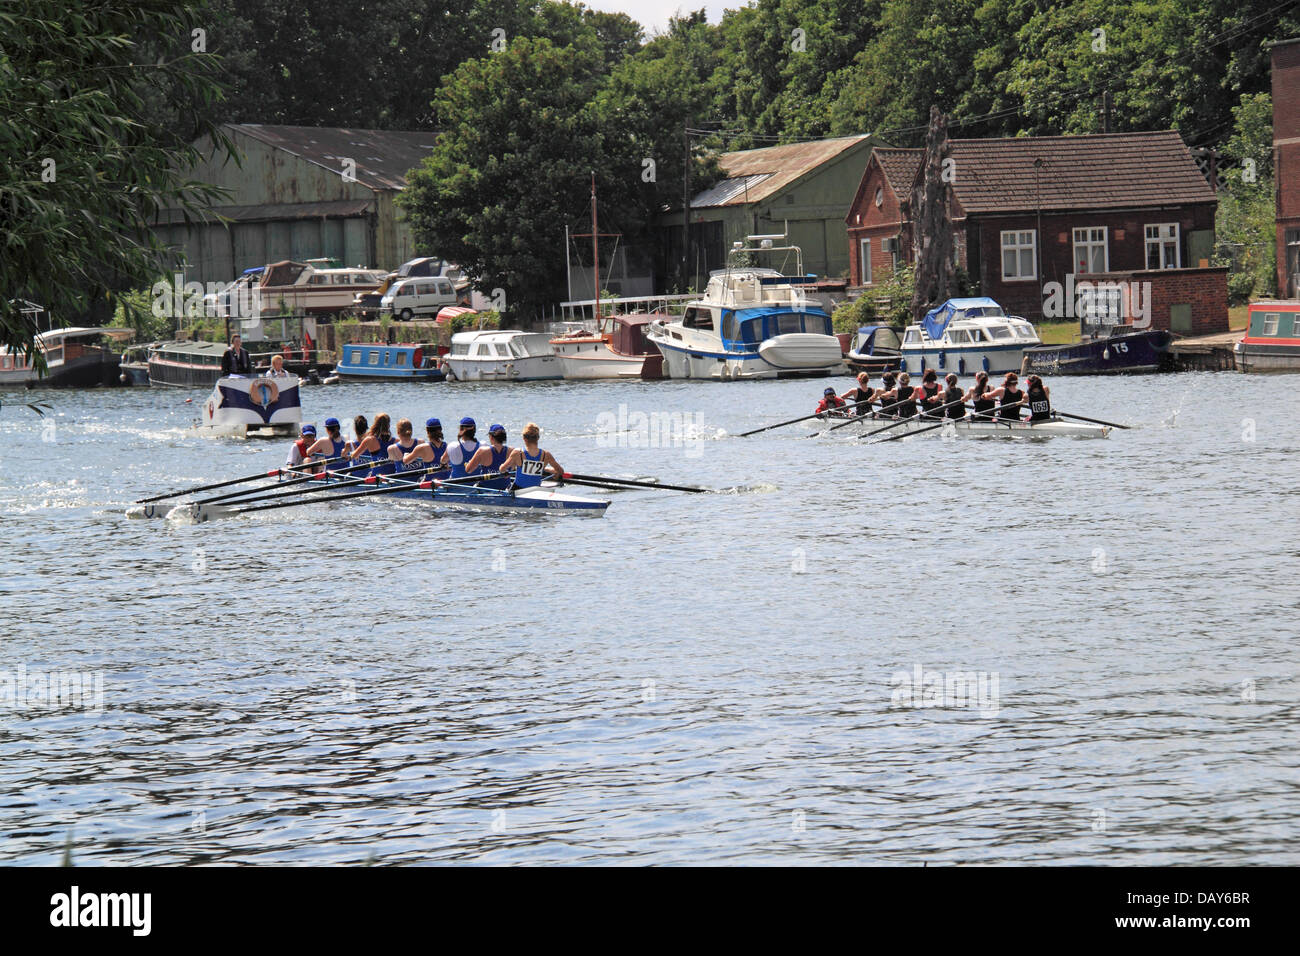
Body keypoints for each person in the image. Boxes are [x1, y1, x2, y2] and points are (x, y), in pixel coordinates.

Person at [500, 422, 563, 490]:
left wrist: (503, 469)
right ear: (538, 438)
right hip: (535, 490)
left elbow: (502, 469)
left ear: (524, 438)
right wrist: (554, 474)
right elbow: (560, 471)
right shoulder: (546, 454)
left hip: (518, 490)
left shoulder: (518, 452)